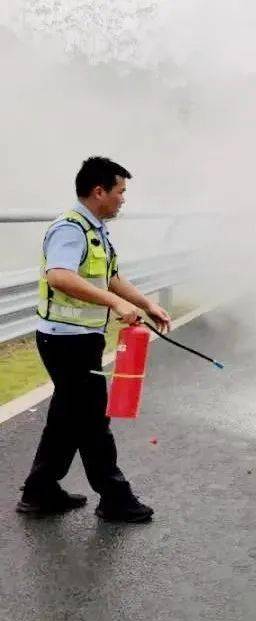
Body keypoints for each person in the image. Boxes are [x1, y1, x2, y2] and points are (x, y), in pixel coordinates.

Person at [16, 157, 171, 523]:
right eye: (120, 192)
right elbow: (60, 276)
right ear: (99, 191)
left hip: (82, 339)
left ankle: (40, 492)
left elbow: (110, 278)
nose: (123, 200)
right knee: (91, 420)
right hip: (65, 341)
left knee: (66, 417)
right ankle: (114, 496)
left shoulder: (94, 230)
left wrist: (146, 303)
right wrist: (116, 304)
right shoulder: (70, 229)